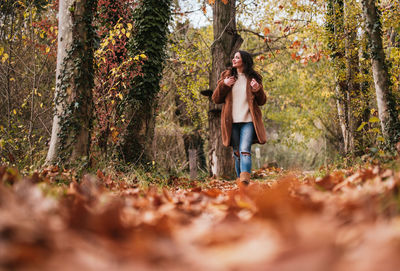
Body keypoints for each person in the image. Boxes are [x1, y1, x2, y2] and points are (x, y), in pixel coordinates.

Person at [212, 50, 267, 185]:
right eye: (234, 57)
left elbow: (262, 101)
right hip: (232, 122)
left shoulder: (254, 78)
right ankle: (240, 181)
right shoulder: (227, 76)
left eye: (237, 57)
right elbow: (216, 99)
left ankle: (245, 181)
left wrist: (257, 89)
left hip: (248, 121)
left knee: (244, 151)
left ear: (244, 60)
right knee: (236, 153)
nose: (234, 59)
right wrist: (224, 85)